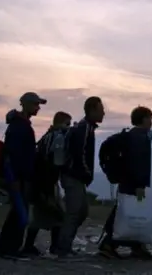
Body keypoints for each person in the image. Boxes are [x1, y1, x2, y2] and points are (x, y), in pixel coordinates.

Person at [0, 92, 45, 260]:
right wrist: (13, 178)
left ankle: (4, 247)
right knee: (19, 215)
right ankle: (8, 248)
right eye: (36, 104)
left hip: (22, 176)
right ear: (27, 104)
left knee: (17, 213)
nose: (38, 108)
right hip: (18, 177)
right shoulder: (19, 126)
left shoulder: (21, 125)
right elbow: (12, 155)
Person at [99, 106, 152, 260]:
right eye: (150, 118)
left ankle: (137, 246)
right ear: (143, 119)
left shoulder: (134, 136)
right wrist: (139, 184)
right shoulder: (140, 137)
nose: (151, 122)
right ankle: (108, 244)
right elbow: (138, 163)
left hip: (127, 179)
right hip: (133, 182)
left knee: (130, 211)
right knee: (127, 213)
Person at [56, 97, 105, 256]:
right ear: (92, 110)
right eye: (100, 109)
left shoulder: (87, 128)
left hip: (76, 176)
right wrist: (87, 173)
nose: (103, 112)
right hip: (73, 176)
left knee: (81, 211)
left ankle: (64, 244)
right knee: (74, 212)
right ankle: (62, 247)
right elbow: (80, 153)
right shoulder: (84, 129)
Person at [22, 111, 72, 256]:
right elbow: (54, 162)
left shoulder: (47, 137)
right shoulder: (56, 138)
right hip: (45, 182)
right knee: (52, 214)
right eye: (67, 124)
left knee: (47, 215)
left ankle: (35, 245)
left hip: (43, 181)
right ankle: (38, 246)